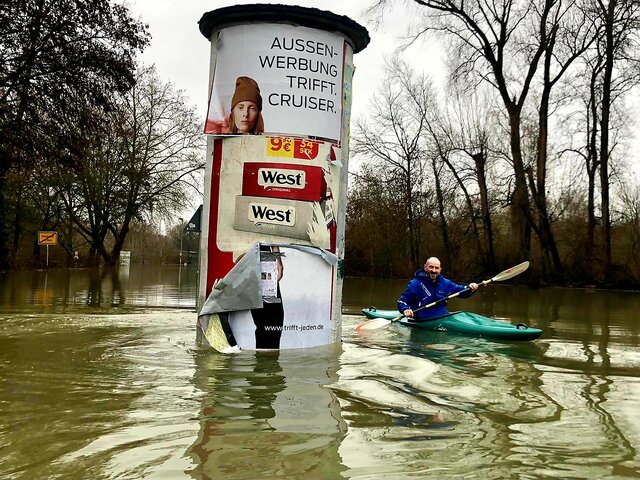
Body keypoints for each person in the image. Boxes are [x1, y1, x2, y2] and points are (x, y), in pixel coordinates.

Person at [397, 257, 479, 320]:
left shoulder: (446, 283)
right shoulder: (415, 284)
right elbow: (402, 301)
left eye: (436, 268)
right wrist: (406, 310)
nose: (434, 270)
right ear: (425, 267)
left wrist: (471, 287)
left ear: (440, 270)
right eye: (431, 267)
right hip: (423, 320)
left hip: (443, 318)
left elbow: (463, 293)